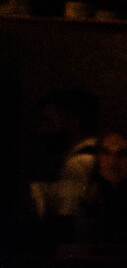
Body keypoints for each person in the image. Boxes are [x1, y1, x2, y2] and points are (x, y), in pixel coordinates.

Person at [30, 88, 100, 220]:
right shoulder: (92, 155)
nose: (41, 130)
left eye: (48, 121)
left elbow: (68, 218)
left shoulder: (78, 163)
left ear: (73, 120)